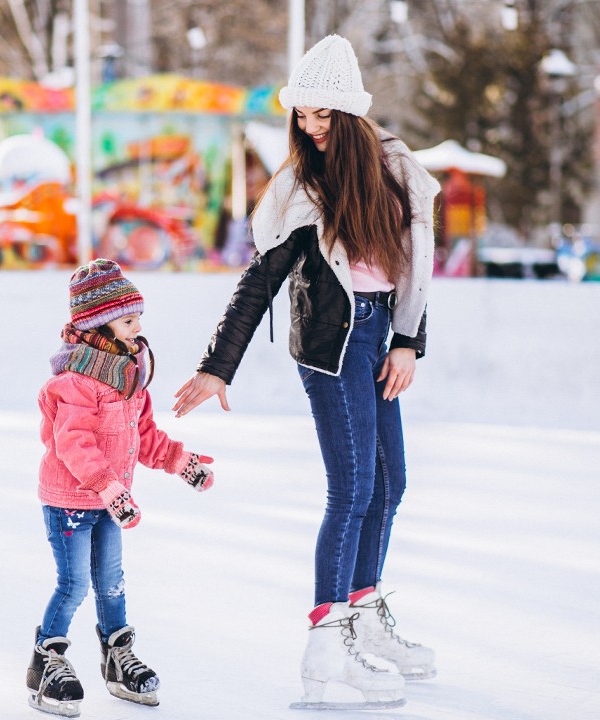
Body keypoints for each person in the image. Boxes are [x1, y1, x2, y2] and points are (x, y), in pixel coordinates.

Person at [172, 35, 439, 709]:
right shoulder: (300, 188)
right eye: (303, 116)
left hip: (382, 337)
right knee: (351, 489)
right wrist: (217, 366)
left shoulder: (394, 173)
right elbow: (258, 281)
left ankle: (363, 614)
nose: (312, 128)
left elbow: (414, 271)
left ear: (350, 117)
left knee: (390, 482)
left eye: (324, 116)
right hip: (331, 347)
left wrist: (407, 341)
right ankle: (326, 650)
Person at [27, 259, 215, 717]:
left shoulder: (130, 381)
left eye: (138, 320)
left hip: (112, 501)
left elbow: (144, 438)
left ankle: (117, 659)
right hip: (71, 501)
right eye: (129, 320)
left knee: (112, 584)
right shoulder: (72, 382)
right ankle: (47, 661)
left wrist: (180, 462)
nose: (137, 329)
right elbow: (73, 444)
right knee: (73, 585)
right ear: (98, 326)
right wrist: (109, 489)